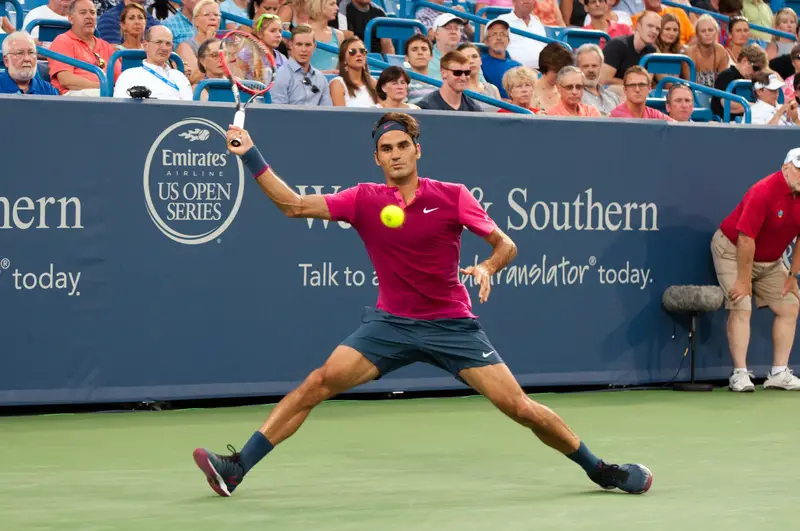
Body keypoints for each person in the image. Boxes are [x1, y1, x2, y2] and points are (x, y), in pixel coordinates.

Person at [192, 111, 654, 497]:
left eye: (402, 146)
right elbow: (293, 205)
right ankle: (236, 467)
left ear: (417, 150)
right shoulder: (362, 199)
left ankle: (599, 468)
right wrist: (250, 154)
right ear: (377, 158)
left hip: (452, 325)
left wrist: (489, 268)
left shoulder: (451, 196)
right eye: (386, 149)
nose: (395, 154)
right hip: (390, 324)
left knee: (521, 409)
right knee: (317, 383)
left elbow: (505, 245)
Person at [711, 148, 800, 392]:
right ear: (785, 168)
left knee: (790, 305)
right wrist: (743, 280)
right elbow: (745, 238)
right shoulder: (763, 191)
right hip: (732, 250)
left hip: (770, 262)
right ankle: (739, 374)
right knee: (741, 304)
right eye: (798, 169)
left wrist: (792, 277)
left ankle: (779, 373)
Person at [113, 26, 192, 100]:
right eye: (158, 42)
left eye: (168, 43)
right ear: (145, 45)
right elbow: (121, 110)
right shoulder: (129, 76)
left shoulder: (179, 77)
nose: (164, 48)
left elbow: (190, 109)